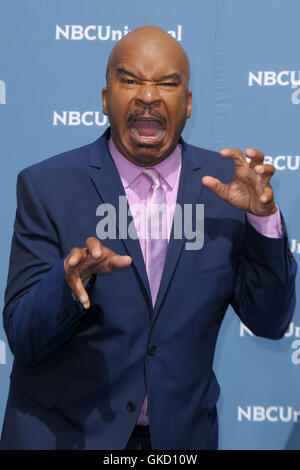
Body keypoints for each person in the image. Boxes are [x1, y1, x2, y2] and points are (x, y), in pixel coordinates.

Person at [0, 25, 297, 450]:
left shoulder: (227, 189)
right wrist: (66, 286)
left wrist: (264, 219)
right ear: (106, 99)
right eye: (130, 80)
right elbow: (24, 338)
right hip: (66, 436)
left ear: (188, 103)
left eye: (166, 83)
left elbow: (270, 321)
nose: (148, 96)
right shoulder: (47, 186)